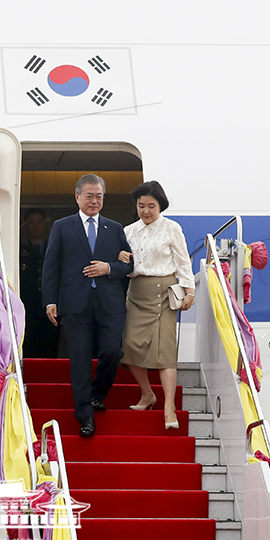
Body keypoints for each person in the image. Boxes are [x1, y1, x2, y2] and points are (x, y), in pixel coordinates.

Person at [42, 175, 133, 437]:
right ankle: (85, 416)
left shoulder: (114, 228)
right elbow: (52, 267)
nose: (94, 201)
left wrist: (109, 268)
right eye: (90, 196)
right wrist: (50, 300)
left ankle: (96, 394)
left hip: (110, 302)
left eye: (99, 196)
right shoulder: (62, 226)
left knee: (112, 352)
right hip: (75, 304)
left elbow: (129, 264)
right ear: (78, 197)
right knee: (80, 360)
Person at [118, 181, 195, 430]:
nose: (146, 211)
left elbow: (184, 261)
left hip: (164, 292)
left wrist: (189, 291)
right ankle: (147, 394)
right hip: (136, 291)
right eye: (141, 206)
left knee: (164, 352)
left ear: (160, 206)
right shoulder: (129, 230)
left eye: (151, 206)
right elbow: (121, 259)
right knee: (129, 346)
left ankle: (169, 407)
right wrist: (119, 257)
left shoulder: (172, 228)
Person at [18, 209, 58, 357]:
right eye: (31, 223)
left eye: (39, 222)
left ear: (45, 224)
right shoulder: (19, 250)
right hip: (26, 306)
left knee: (50, 346)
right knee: (28, 346)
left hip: (51, 306)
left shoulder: (54, 249)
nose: (35, 226)